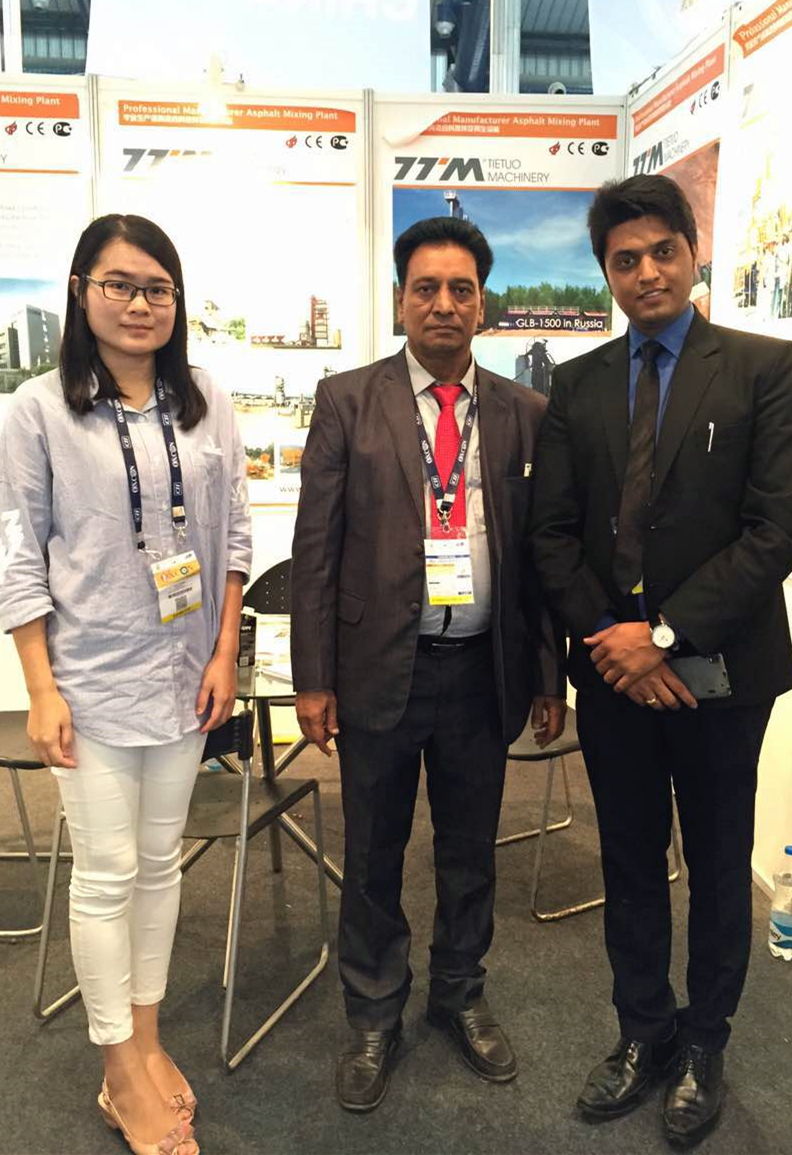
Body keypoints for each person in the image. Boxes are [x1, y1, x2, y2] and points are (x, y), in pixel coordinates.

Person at [529, 175, 792, 1144]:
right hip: (614, 677)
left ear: (693, 254)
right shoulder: (579, 384)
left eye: (662, 252)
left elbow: (776, 531)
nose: (646, 272)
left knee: (721, 863)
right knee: (630, 857)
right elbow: (551, 533)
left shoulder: (763, 367)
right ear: (606, 273)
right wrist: (616, 645)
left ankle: (705, 1044)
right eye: (625, 259)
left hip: (723, 675)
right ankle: (643, 1031)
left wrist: (661, 636)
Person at [290, 215, 565, 1112]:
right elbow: (316, 548)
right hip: (378, 667)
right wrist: (313, 677)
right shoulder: (347, 400)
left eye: (461, 289)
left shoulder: (525, 414)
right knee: (372, 853)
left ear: (483, 304)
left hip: (482, 670)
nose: (443, 303)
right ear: (400, 300)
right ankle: (374, 1012)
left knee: (469, 851)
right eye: (426, 288)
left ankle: (459, 993)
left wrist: (548, 675)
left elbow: (541, 559)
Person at [0, 214, 251, 1155]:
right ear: (80, 290)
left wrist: (223, 653)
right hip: (89, 681)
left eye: (158, 288)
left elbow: (233, 535)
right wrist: (40, 687)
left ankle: (144, 1037)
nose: (141, 304)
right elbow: (18, 554)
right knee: (105, 876)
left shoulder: (206, 399)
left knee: (158, 865)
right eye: (120, 284)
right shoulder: (39, 410)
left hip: (184, 678)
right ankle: (119, 1071)